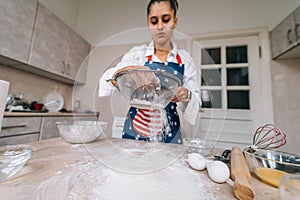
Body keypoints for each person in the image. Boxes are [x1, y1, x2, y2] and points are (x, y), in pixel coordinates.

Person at [99, 0, 201, 144]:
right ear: (148, 23)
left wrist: (186, 95)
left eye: (166, 20)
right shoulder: (137, 55)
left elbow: (197, 101)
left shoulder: (184, 59)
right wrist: (125, 73)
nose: (160, 26)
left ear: (175, 22)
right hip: (134, 130)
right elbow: (106, 81)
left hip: (170, 132)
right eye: (154, 21)